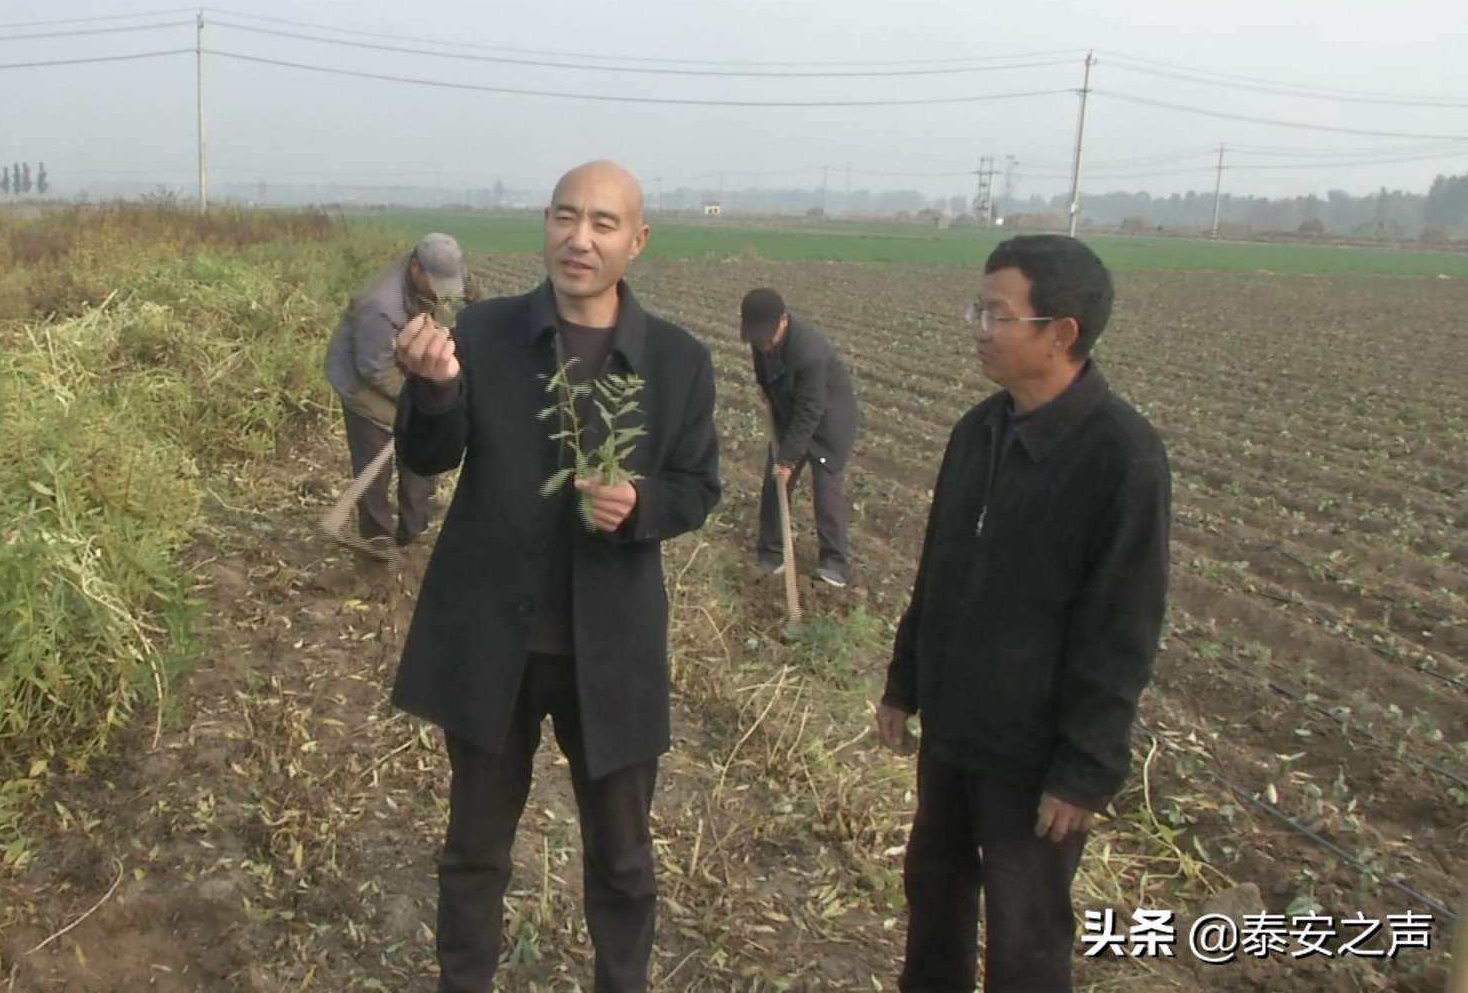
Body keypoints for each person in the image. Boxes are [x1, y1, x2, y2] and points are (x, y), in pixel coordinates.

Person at [386, 160, 722, 992]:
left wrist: (640, 504)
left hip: (610, 651)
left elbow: (698, 486)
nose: (580, 238)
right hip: (493, 638)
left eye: (604, 223)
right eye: (565, 217)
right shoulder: (487, 332)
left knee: (623, 856)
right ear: (545, 224)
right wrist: (431, 391)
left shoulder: (677, 361)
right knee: (473, 850)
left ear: (636, 242)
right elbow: (431, 456)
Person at [875, 235, 1171, 992]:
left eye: (997, 314)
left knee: (1026, 935)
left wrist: (1083, 771)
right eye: (977, 308)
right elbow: (937, 572)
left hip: (1034, 757)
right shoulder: (977, 432)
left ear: (1061, 332)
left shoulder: (1121, 458)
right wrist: (904, 683)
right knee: (934, 897)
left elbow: (1122, 630)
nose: (978, 326)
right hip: (954, 729)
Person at [322, 232, 484, 559]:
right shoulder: (379, 304)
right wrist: (424, 392)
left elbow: (476, 297)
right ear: (416, 270)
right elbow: (375, 370)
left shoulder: (447, 269)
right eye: (437, 285)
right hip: (364, 380)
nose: (445, 292)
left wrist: (486, 325)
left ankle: (414, 529)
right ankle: (376, 538)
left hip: (407, 363)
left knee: (421, 448)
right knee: (375, 458)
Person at [739, 287, 861, 587]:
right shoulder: (761, 339)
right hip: (789, 412)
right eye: (757, 337)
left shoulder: (809, 352)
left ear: (784, 320)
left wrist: (788, 458)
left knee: (825, 485)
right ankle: (772, 553)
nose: (763, 343)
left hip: (828, 419)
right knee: (775, 482)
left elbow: (811, 411)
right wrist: (766, 391)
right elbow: (763, 371)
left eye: (767, 336)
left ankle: (835, 563)